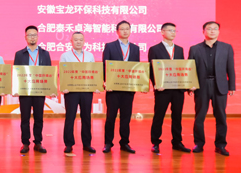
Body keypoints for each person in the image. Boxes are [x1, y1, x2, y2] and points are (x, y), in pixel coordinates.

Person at [188, 21, 235, 156]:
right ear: (203, 31)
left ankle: (220, 145)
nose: (212, 31)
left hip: (220, 86)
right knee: (199, 116)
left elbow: (230, 68)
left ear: (219, 31)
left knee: (221, 116)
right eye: (209, 29)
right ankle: (199, 143)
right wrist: (190, 86)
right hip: (201, 86)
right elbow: (190, 69)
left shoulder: (227, 47)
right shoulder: (195, 48)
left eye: (215, 29)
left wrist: (232, 86)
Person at [148, 23, 191, 154]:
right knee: (159, 116)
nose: (173, 33)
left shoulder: (179, 49)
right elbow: (151, 69)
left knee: (177, 116)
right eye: (170, 30)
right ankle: (155, 142)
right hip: (162, 89)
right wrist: (156, 84)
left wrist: (187, 84)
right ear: (162, 32)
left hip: (178, 89)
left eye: (174, 31)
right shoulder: (154, 49)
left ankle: (177, 142)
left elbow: (182, 68)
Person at [102, 20, 140, 154]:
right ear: (117, 31)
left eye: (127, 29)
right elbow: (105, 65)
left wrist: (139, 84)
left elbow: (137, 68)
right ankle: (108, 143)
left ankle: (125, 143)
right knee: (111, 117)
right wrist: (105, 82)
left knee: (126, 117)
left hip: (128, 89)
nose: (125, 31)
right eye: (122, 29)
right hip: (113, 89)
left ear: (130, 31)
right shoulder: (110, 46)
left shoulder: (135, 48)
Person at [13, 25, 52, 154]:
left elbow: (49, 72)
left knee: (39, 117)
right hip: (25, 91)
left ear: (38, 36)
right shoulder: (19, 54)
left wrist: (50, 89)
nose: (32, 37)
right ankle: (25, 143)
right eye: (29, 35)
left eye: (34, 35)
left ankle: (38, 142)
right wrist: (16, 89)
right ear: (25, 37)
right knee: (25, 118)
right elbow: (16, 73)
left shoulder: (45, 54)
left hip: (40, 90)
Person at [60, 32, 96, 154]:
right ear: (71, 41)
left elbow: (93, 73)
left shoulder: (90, 55)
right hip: (71, 91)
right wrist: (63, 87)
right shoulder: (65, 56)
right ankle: (69, 144)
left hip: (86, 91)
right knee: (70, 117)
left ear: (84, 41)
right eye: (76, 40)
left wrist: (95, 86)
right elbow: (62, 73)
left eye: (81, 39)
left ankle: (87, 144)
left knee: (86, 117)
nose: (78, 42)